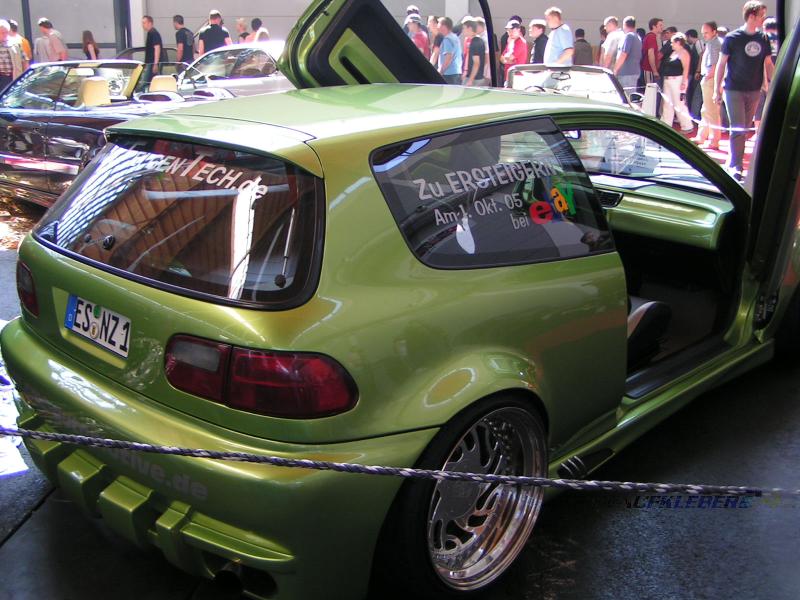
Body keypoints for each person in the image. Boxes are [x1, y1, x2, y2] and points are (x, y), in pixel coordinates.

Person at [714, 1, 773, 181]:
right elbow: (721, 64)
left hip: (754, 90)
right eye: (761, 15)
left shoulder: (763, 38)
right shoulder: (732, 38)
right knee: (738, 128)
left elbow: (768, 63)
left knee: (744, 129)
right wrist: (717, 89)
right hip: (733, 89)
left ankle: (733, 160)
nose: (763, 19)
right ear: (752, 16)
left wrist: (773, 84)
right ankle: (736, 166)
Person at [692, 21, 722, 149]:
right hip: (709, 78)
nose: (704, 35)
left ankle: (714, 140)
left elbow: (715, 65)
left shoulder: (714, 44)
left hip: (710, 79)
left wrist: (707, 77)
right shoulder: (711, 43)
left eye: (706, 32)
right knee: (706, 110)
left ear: (714, 32)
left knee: (712, 111)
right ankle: (702, 136)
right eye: (703, 33)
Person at [661, 32, 694, 133]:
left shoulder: (684, 53)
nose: (671, 44)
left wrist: (684, 82)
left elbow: (686, 68)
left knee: (679, 103)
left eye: (673, 42)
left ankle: (687, 125)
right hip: (668, 80)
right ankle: (666, 124)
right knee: (667, 103)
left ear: (678, 42)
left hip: (677, 81)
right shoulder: (673, 53)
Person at [613, 16, 642, 95]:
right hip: (633, 72)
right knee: (630, 95)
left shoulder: (628, 36)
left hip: (626, 74)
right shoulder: (637, 37)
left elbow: (623, 54)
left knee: (626, 97)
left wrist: (615, 70)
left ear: (624, 25)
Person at [437, 17, 462, 84]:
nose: (437, 27)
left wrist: (441, 71)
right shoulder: (455, 37)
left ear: (444, 26)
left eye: (439, 24)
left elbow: (448, 58)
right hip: (456, 72)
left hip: (449, 74)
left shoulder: (447, 39)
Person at [0, 20, 24, 90]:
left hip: (13, 77)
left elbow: (24, 60)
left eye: (6, 32)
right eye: (2, 33)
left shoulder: (15, 44)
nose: (5, 35)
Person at [461, 19, 486, 86]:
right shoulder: (475, 41)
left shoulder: (475, 42)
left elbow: (476, 63)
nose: (462, 30)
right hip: (473, 77)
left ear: (469, 28)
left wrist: (470, 80)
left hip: (475, 79)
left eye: (464, 28)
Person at [641, 18, 663, 87]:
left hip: (649, 70)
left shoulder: (652, 37)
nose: (662, 27)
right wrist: (655, 71)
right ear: (654, 26)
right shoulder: (651, 37)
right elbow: (651, 54)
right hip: (648, 69)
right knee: (650, 90)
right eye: (660, 25)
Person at [142, 15, 162, 82]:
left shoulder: (153, 33)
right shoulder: (150, 33)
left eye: (144, 23)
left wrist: (155, 64)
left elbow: (157, 48)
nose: (142, 25)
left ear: (150, 23)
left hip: (152, 64)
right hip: (150, 64)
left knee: (148, 82)